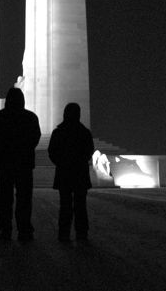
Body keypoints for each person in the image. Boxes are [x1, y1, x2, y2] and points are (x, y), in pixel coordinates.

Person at [0, 87, 41, 241]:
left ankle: (5, 228)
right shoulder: (30, 118)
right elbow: (35, 138)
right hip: (24, 163)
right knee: (24, 197)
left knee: (4, 197)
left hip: (5, 163)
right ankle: (24, 229)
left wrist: (4, 149)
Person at [47, 102, 95, 242]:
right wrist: (79, 162)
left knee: (65, 205)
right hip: (79, 173)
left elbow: (52, 151)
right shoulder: (84, 132)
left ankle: (64, 234)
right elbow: (89, 151)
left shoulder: (59, 132)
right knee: (80, 205)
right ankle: (81, 234)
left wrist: (61, 163)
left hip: (65, 173)